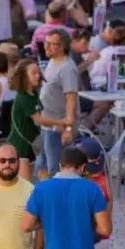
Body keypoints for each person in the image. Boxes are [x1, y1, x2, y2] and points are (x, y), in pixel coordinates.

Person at [36, 29, 79, 179]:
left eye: (51, 44)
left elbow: (71, 99)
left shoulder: (67, 68)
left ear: (62, 47)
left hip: (57, 127)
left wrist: (68, 128)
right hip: (47, 123)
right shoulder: (53, 61)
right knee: (42, 166)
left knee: (54, 169)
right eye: (45, 43)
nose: (46, 47)